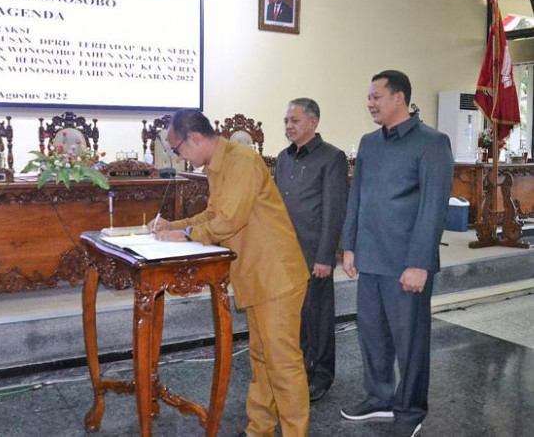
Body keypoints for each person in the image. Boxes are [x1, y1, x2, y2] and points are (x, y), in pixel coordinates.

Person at [150, 109, 310, 437]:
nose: (179, 157)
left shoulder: (242, 161)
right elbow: (214, 213)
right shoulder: (217, 166)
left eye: (178, 150)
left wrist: (185, 235)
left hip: (276, 276)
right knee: (261, 360)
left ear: (194, 138)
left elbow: (228, 222)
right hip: (255, 276)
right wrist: (172, 226)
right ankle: (260, 429)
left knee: (282, 364)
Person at [340, 70, 453, 437]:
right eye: (369, 97)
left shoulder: (432, 143)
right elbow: (356, 197)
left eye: (377, 96)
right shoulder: (369, 143)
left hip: (407, 262)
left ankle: (411, 408)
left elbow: (433, 208)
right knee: (372, 335)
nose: (370, 103)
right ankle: (380, 397)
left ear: (399, 98)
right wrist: (350, 246)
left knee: (410, 340)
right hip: (370, 259)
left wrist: (420, 263)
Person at [274, 98, 348, 403]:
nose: (289, 126)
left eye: (295, 121)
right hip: (283, 252)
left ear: (313, 122)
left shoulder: (332, 157)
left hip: (313, 253)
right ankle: (298, 370)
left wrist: (325, 257)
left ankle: (321, 376)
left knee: (317, 317)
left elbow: (334, 211)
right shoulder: (283, 157)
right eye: (286, 121)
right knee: (293, 318)